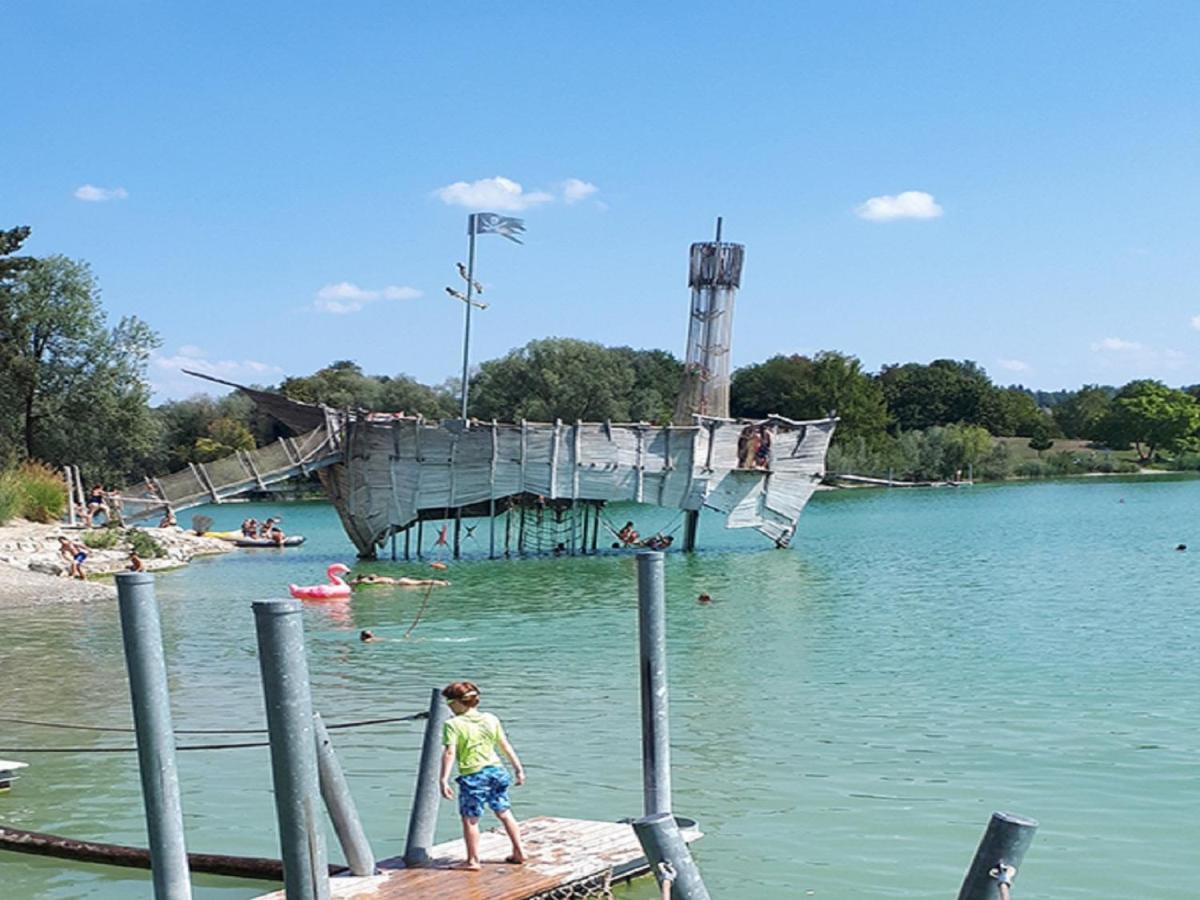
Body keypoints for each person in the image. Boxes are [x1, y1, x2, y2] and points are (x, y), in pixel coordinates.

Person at [438, 681, 526, 870]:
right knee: (504, 812)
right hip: (497, 771)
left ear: (456, 703)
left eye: (449, 703)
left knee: (470, 818)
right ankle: (519, 851)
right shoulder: (490, 718)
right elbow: (504, 745)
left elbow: (450, 753)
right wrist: (518, 768)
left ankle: (473, 861)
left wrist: (443, 779)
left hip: (473, 776)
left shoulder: (452, 724)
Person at [350, 573, 451, 587]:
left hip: (400, 583)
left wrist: (353, 583)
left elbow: (364, 582)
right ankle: (441, 582)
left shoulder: (372, 580)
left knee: (421, 583)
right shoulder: (377, 577)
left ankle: (441, 583)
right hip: (400, 581)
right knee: (421, 583)